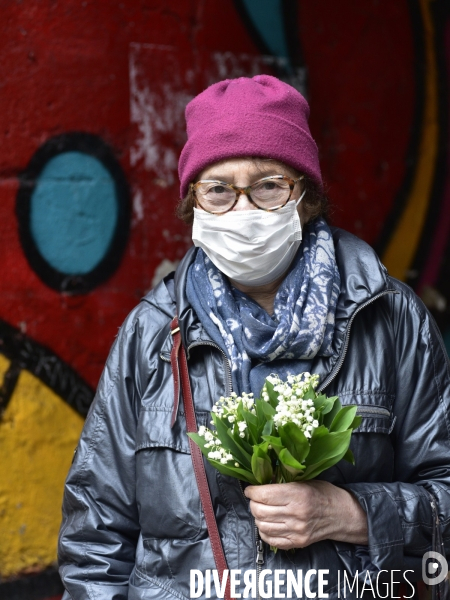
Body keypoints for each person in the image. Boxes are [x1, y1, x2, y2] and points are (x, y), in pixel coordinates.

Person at [58, 75, 450, 599]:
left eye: (268, 185)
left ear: (305, 198)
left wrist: (352, 513)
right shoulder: (152, 334)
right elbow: (94, 540)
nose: (243, 210)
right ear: (193, 204)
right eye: (218, 189)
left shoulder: (392, 321)